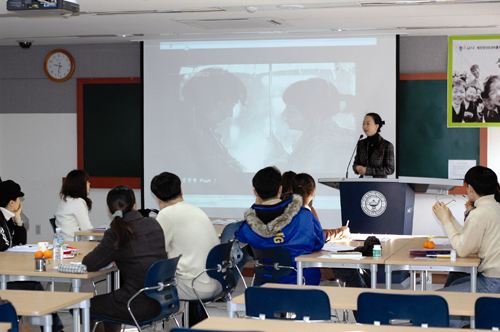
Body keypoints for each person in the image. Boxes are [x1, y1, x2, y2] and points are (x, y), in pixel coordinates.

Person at [82, 186, 168, 332]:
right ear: (134, 205)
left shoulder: (116, 232)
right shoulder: (153, 223)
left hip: (135, 304)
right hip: (162, 299)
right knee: (108, 303)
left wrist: (114, 256)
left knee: (83, 305)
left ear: (109, 209)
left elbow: (89, 264)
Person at [235, 166, 325, 285]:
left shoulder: (249, 227)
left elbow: (239, 236)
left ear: (255, 192)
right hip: (303, 285)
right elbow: (319, 242)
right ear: (280, 189)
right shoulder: (304, 216)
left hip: (267, 285)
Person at [0, 180, 64, 332]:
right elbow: (3, 246)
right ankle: (55, 329)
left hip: (6, 271)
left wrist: (18, 221)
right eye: (18, 200)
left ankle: (52, 328)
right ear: (11, 202)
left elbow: (19, 243)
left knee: (32, 284)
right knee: (33, 286)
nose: (19, 203)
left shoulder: (6, 219)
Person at [150, 172, 221, 300]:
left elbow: (155, 252)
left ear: (158, 199)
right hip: (217, 282)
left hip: (195, 286)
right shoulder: (196, 209)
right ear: (181, 190)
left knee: (145, 285)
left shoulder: (166, 214)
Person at [433, 166, 500, 294]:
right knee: (455, 283)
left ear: (470, 188)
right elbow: (469, 239)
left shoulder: (479, 214)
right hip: (495, 279)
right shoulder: (495, 207)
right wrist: (450, 218)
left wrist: (445, 221)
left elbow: (462, 250)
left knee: (439, 297)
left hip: (493, 282)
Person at [292, 173, 366, 288]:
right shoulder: (307, 214)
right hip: (304, 269)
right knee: (352, 271)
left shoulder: (281, 213)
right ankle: (365, 304)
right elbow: (319, 240)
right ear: (312, 193)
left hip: (283, 269)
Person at [282, 78, 355, 173]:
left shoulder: (324, 143)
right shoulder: (314, 138)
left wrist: (278, 161)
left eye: (291, 110)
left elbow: (306, 181)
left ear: (308, 111)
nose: (284, 114)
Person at [54, 170, 94, 240]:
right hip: (74, 244)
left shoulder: (64, 200)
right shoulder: (78, 202)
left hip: (61, 242)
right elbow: (86, 229)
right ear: (81, 185)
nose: (89, 184)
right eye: (87, 182)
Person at [353, 113, 394, 178]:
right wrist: (357, 167)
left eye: (368, 123)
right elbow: (356, 163)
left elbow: (390, 169)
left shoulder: (387, 145)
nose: (364, 126)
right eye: (363, 124)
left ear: (376, 126)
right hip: (362, 183)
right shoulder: (361, 143)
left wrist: (367, 170)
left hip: (379, 185)